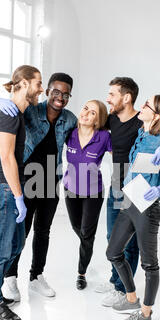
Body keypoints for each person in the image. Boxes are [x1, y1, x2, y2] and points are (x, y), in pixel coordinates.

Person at [0, 73, 77, 300]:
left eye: (65, 94)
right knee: (20, 233)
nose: (60, 97)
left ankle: (36, 277)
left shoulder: (70, 119)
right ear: (47, 91)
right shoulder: (32, 108)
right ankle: (10, 277)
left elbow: (88, 135)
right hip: (25, 178)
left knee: (43, 232)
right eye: (56, 92)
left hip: (49, 180)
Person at [98, 77, 160, 308]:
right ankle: (123, 287)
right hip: (123, 191)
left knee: (140, 254)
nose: (108, 98)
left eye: (112, 94)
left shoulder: (150, 131)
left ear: (127, 98)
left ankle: (134, 302)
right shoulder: (132, 129)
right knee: (113, 246)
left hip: (145, 204)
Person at [0, 65, 43, 320]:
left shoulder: (14, 112)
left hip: (10, 188)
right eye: (38, 83)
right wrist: (18, 196)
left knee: (15, 245)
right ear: (25, 83)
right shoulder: (8, 116)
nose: (41, 88)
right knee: (1, 248)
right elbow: (7, 158)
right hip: (4, 188)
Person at [63, 100, 112, 290]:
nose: (85, 114)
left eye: (92, 113)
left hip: (94, 192)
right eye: (85, 108)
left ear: (98, 120)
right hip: (70, 189)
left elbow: (122, 152)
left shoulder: (104, 137)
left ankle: (81, 273)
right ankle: (88, 243)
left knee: (86, 233)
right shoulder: (70, 133)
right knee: (79, 229)